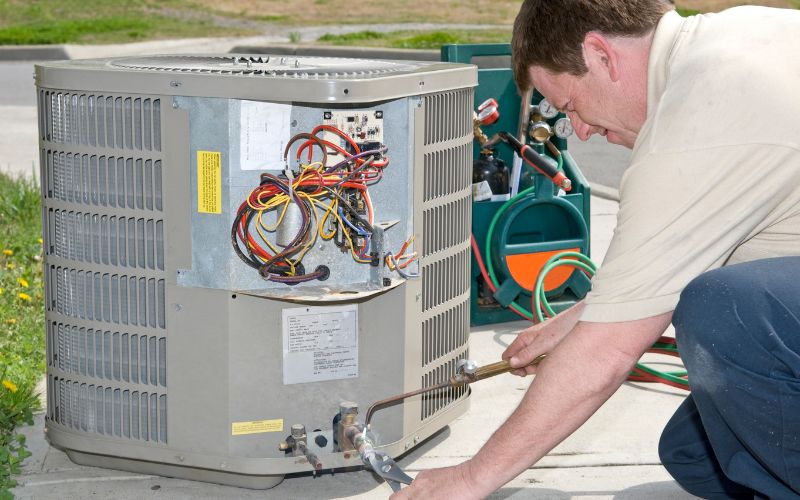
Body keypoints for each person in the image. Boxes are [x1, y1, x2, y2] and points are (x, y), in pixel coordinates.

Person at [393, 1, 800, 498]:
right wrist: (578, 320)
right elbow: (678, 261)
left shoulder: (697, 125)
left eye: (568, 106)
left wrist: (471, 478)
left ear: (600, 54)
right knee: (698, 454)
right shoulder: (740, 34)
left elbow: (608, 351)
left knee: (725, 307)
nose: (580, 131)